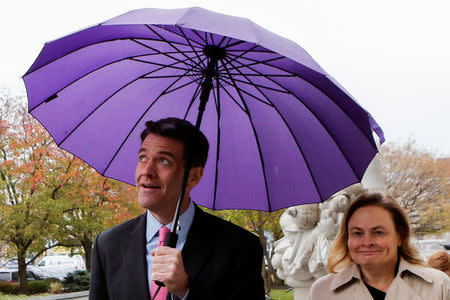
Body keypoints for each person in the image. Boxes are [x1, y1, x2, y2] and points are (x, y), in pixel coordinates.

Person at [89, 118, 265, 300]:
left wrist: (185, 291)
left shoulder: (240, 247)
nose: (146, 171)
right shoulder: (108, 245)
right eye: (143, 158)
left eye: (163, 161)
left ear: (194, 177)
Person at [310, 192, 450, 300]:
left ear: (400, 236)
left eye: (378, 232)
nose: (367, 242)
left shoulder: (438, 286)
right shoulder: (322, 292)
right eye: (357, 233)